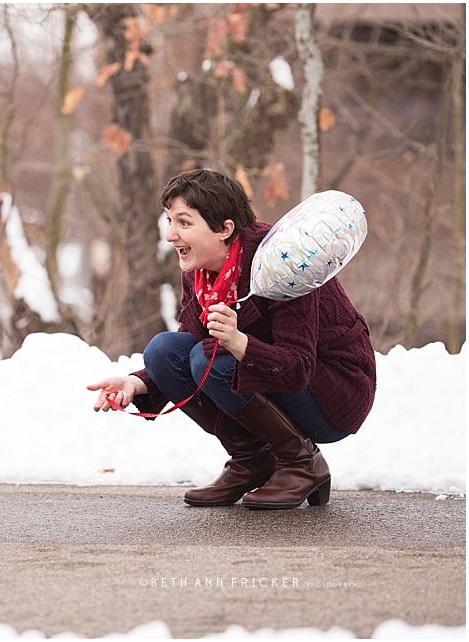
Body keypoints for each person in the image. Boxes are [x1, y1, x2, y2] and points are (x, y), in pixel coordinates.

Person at [88, 169, 376, 510]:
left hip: (332, 390)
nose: (170, 235)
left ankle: (302, 462)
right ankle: (252, 459)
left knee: (212, 360)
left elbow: (298, 366)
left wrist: (240, 343)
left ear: (225, 228)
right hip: (271, 378)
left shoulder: (283, 261)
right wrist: (139, 383)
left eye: (183, 223)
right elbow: (189, 339)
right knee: (164, 351)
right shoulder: (201, 269)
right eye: (169, 221)